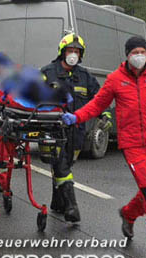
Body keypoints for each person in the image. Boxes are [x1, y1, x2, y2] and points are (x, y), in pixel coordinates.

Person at [62, 36, 146, 258]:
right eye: (135, 52)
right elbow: (96, 104)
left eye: (142, 51)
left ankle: (128, 213)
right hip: (132, 144)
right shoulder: (116, 79)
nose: (139, 56)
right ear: (127, 55)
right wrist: (76, 117)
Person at [40, 33, 110, 223]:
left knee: (67, 165)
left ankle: (58, 202)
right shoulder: (47, 72)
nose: (73, 54)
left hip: (77, 131)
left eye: (77, 51)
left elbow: (100, 98)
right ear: (62, 52)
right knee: (61, 165)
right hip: (53, 129)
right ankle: (72, 207)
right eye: (70, 50)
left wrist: (105, 115)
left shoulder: (85, 76)